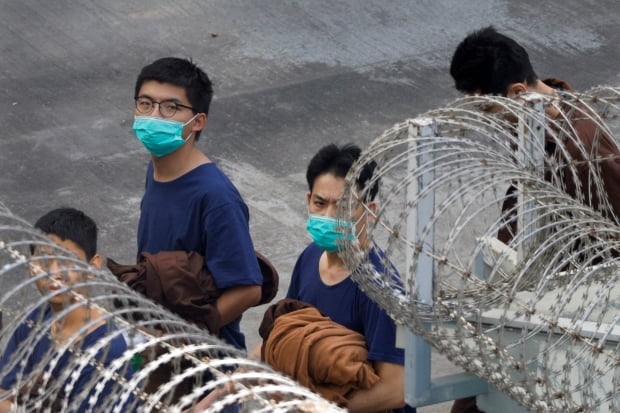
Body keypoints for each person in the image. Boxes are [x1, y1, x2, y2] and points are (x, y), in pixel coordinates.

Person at [449, 26, 620, 413]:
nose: (486, 120)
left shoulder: (581, 145)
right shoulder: (537, 119)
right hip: (526, 288)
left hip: (569, 308)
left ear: (517, 93)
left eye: (487, 109)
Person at [131, 57, 263, 350]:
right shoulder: (156, 171)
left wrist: (184, 337)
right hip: (155, 345)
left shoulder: (216, 197)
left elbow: (248, 289)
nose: (154, 116)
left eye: (170, 107)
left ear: (198, 121)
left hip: (205, 364)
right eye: (145, 103)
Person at [274, 144, 413, 412]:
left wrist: (320, 408)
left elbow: (396, 391)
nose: (329, 216)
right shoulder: (311, 257)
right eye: (320, 203)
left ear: (370, 210)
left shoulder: (381, 288)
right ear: (308, 201)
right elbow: (290, 330)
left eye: (344, 207)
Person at [0, 208, 136, 412]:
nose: (55, 272)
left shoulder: (107, 352)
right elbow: (4, 393)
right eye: (44, 260)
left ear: (92, 266)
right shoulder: (35, 320)